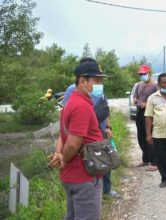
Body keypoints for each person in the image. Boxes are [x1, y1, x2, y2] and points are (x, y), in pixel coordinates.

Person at [50, 61, 108, 219]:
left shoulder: (70, 103)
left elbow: (64, 135)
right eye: (96, 81)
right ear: (82, 81)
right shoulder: (81, 106)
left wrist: (60, 155)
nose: (99, 85)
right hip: (84, 176)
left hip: (74, 176)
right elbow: (73, 144)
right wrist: (64, 159)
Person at [62, 83, 120, 199]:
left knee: (106, 161)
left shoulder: (99, 88)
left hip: (101, 132)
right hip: (85, 135)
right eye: (96, 77)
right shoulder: (72, 90)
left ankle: (106, 190)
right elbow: (65, 112)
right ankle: (92, 192)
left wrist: (108, 127)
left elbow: (105, 108)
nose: (99, 81)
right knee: (90, 163)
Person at [133, 64, 159, 171]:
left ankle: (155, 162)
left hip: (150, 114)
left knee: (150, 137)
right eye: (140, 74)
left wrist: (147, 104)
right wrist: (135, 99)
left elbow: (158, 99)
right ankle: (145, 159)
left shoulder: (155, 85)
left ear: (149, 73)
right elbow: (135, 95)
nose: (142, 75)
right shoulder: (139, 85)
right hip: (139, 112)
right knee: (141, 137)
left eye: (144, 74)